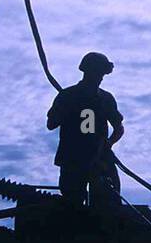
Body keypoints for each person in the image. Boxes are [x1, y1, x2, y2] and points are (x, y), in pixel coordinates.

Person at [47, 52, 124, 210]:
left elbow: (119, 128)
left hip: (100, 160)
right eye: (98, 72)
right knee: (72, 205)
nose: (100, 77)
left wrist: (108, 144)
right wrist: (68, 110)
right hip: (73, 159)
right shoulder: (67, 96)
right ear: (87, 71)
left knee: (109, 204)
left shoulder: (106, 99)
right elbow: (51, 123)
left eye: (102, 73)